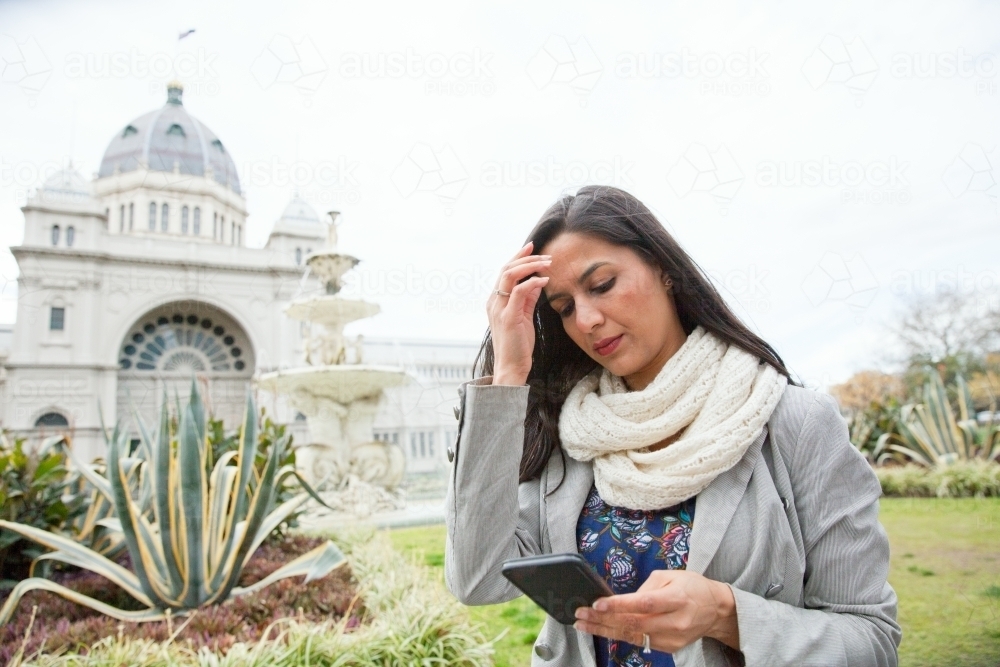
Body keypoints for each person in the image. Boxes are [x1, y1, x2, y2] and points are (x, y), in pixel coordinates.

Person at [444, 185, 901, 667]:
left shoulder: (794, 423)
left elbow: (870, 640)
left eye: (601, 285)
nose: (589, 319)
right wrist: (508, 377)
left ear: (663, 269)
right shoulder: (569, 434)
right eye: (564, 308)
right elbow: (477, 580)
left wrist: (726, 614)